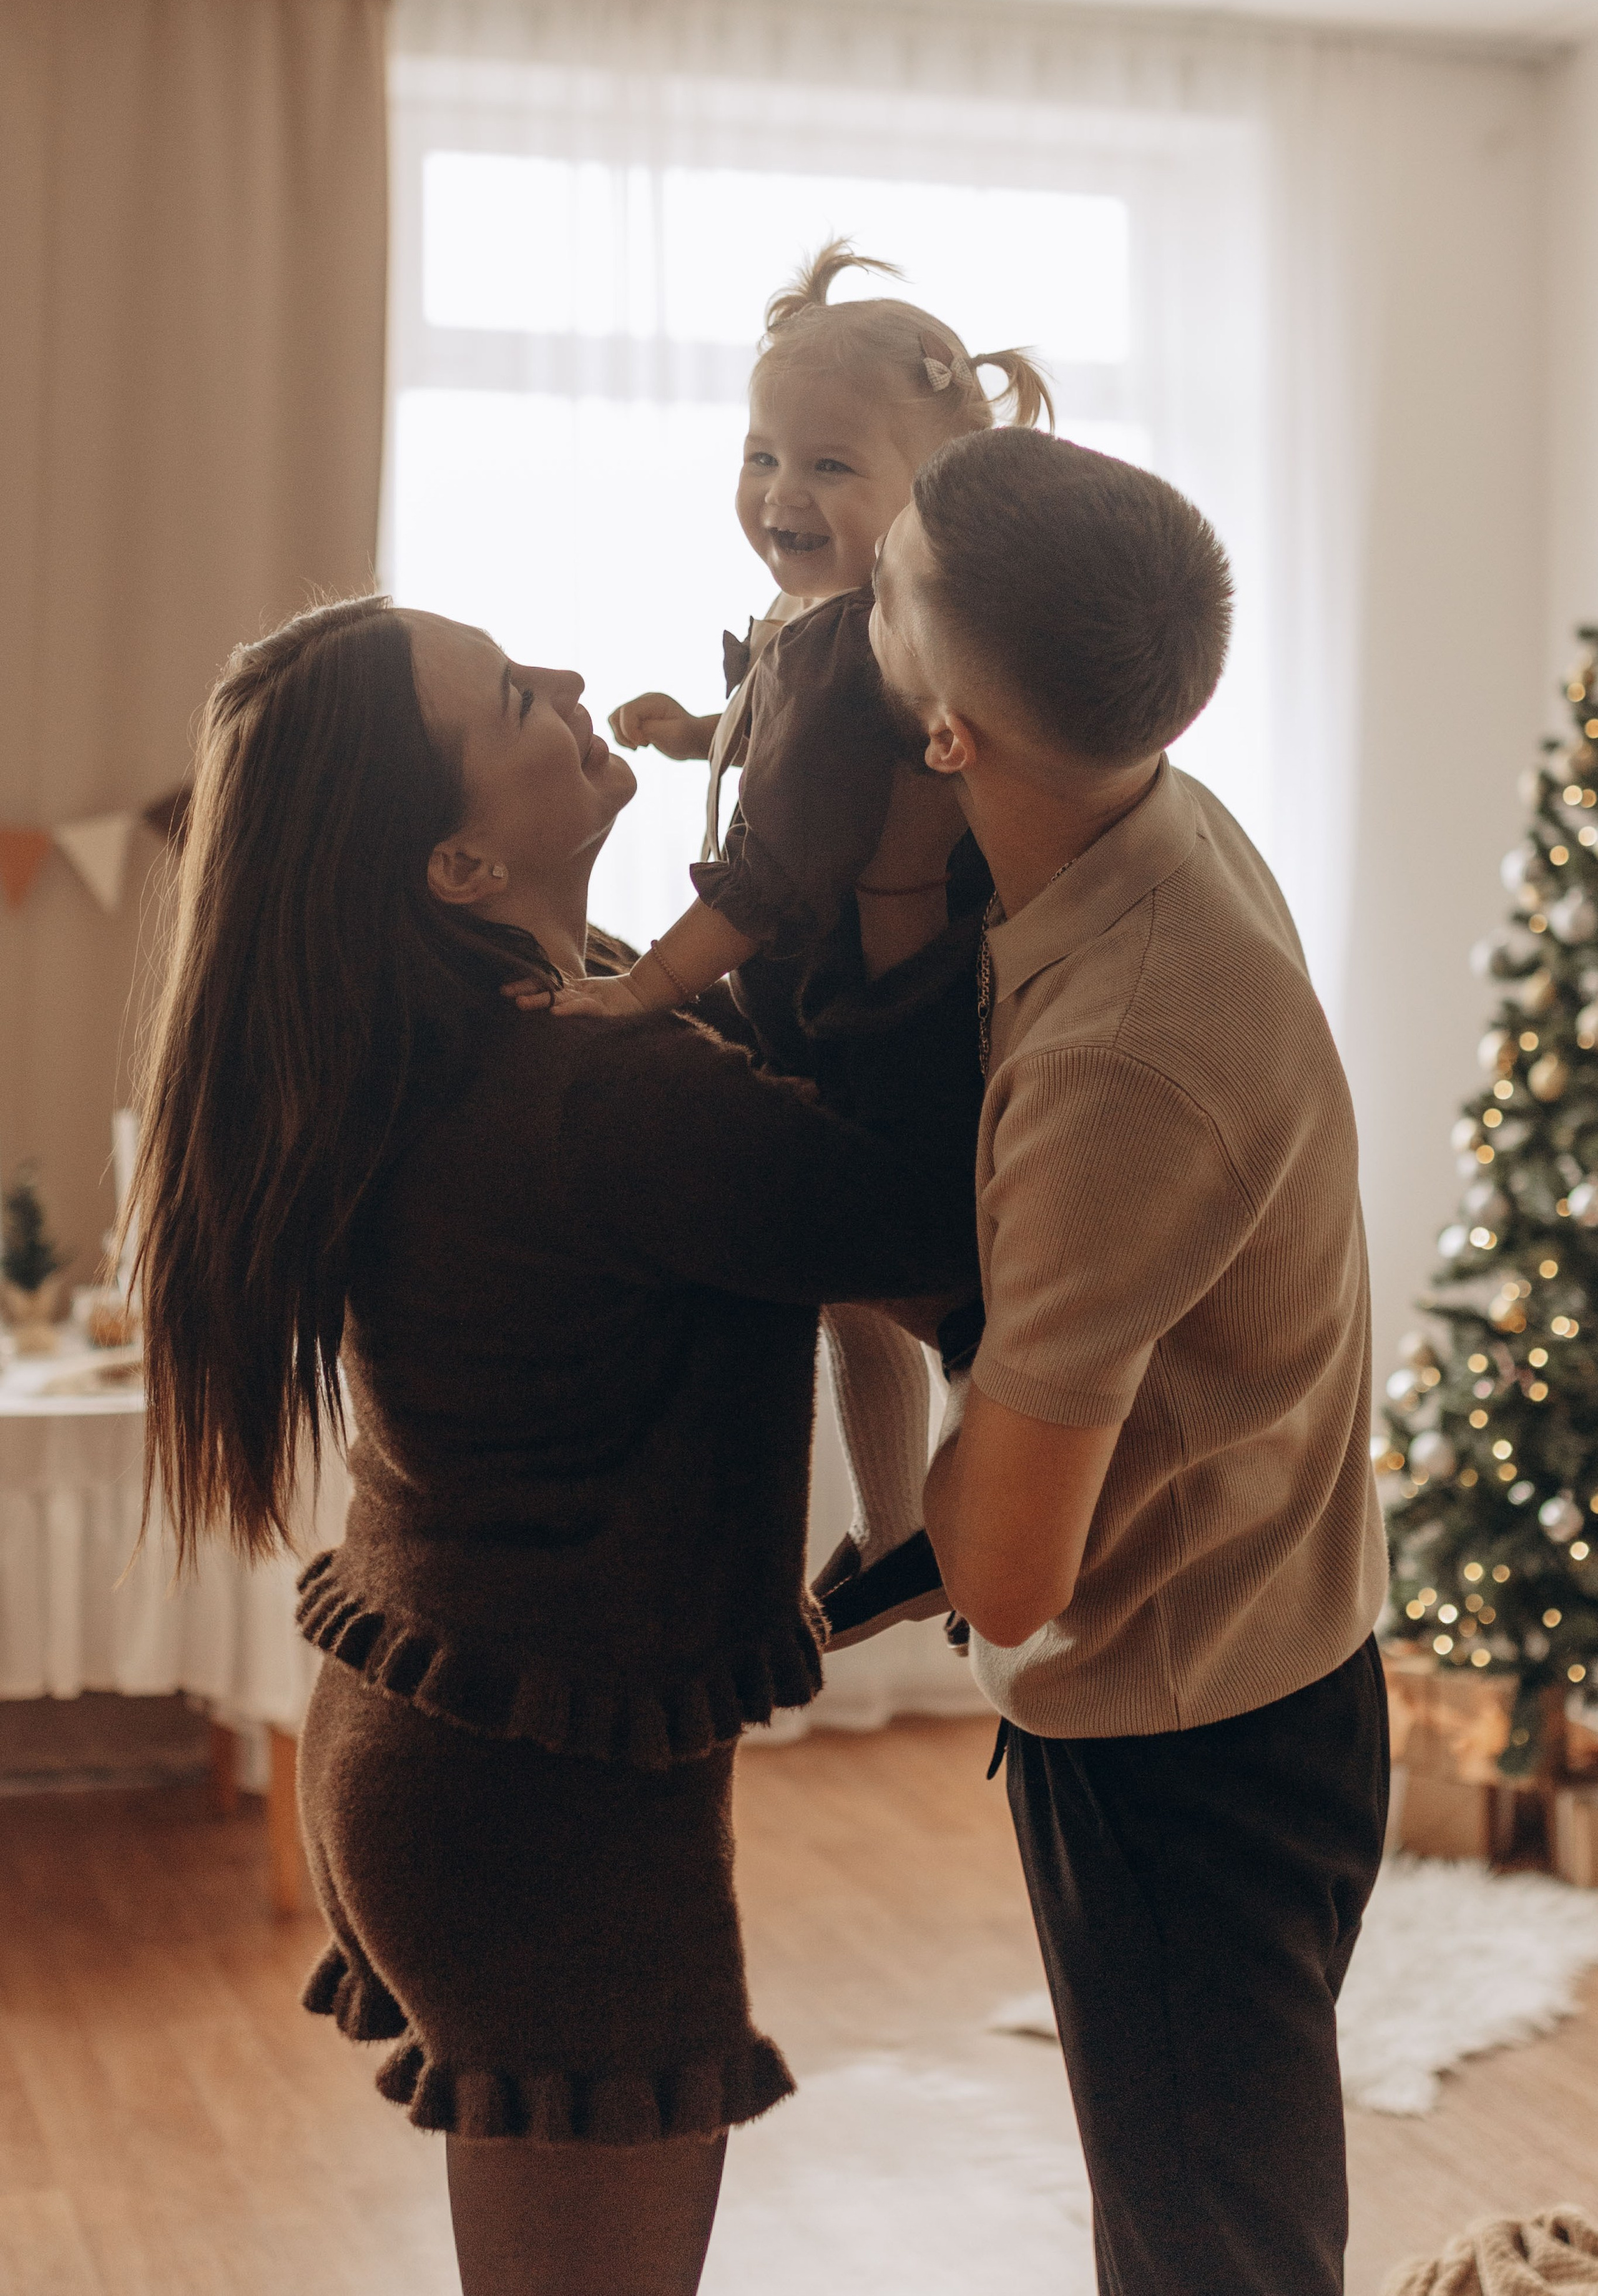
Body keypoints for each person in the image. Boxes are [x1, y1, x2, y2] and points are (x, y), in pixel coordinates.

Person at [129, 594, 979, 2296]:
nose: (579, 685)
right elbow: (928, 1225)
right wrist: (907, 875)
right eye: (519, 695)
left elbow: (776, 1105)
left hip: (457, 1748)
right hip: (546, 1818)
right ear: (455, 868)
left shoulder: (531, 1022)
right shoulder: (594, 1092)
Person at [869, 425, 1391, 2296]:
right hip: (1279, 1639)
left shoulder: (1124, 1060)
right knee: (1203, 2218)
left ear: (953, 735)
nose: (861, 570)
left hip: (1186, 1742)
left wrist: (899, 1314)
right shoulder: (1147, 805)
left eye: (886, 580)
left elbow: (1009, 1568)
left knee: (1211, 2254)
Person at [531, 239, 1047, 1634]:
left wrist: (646, 988)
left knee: (918, 1274)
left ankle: (943, 1520)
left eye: (829, 467)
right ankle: (898, 1531)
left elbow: (771, 870)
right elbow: (798, 753)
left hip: (880, 1011)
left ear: (930, 498)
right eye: (762, 454)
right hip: (853, 990)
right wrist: (702, 728)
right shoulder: (827, 624)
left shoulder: (843, 644)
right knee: (853, 1292)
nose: (778, 493)